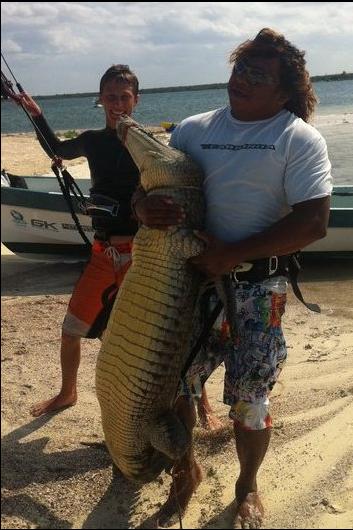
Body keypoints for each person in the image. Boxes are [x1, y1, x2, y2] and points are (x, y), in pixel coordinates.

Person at [134, 28, 332, 528]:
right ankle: (186, 475)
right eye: (239, 69)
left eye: (256, 74)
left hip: (259, 289)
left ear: (284, 91)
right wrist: (144, 207)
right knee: (176, 384)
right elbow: (147, 191)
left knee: (251, 397)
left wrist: (233, 255)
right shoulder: (192, 129)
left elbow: (313, 222)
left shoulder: (297, 138)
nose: (240, 80)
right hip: (190, 282)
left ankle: (246, 486)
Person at [17, 65, 219, 429]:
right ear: (101, 100)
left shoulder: (146, 145)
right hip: (102, 254)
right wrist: (37, 116)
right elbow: (58, 148)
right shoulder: (93, 140)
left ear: (136, 100)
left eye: (125, 96)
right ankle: (68, 392)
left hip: (144, 257)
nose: (117, 103)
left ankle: (202, 404)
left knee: (173, 334)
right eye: (110, 96)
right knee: (71, 328)